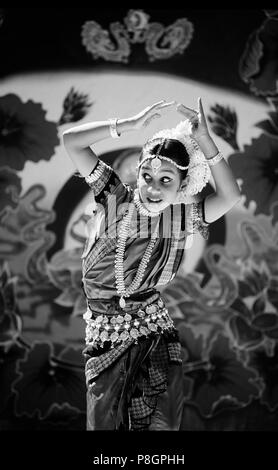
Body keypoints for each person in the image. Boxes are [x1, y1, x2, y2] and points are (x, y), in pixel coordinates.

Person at [63, 98, 241, 431]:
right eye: (147, 175)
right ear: (138, 173)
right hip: (104, 341)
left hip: (154, 336)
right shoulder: (116, 199)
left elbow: (229, 197)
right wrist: (127, 125)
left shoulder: (178, 219)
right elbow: (71, 141)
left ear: (182, 186)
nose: (153, 188)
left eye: (166, 181)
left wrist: (204, 139)